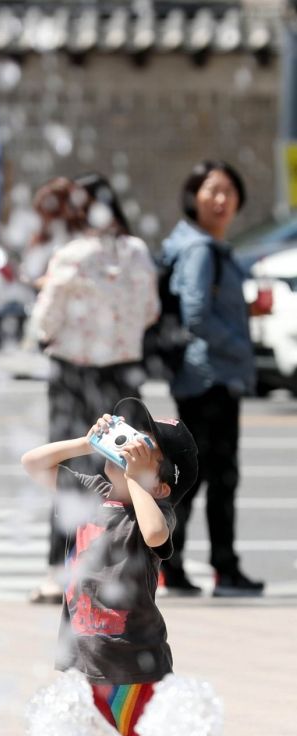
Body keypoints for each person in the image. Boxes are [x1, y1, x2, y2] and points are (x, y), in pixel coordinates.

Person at [20, 397, 198, 736]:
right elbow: (33, 462)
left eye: (145, 449)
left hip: (136, 667)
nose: (129, 450)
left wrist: (135, 480)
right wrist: (87, 443)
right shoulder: (90, 495)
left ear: (163, 486)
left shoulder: (153, 511)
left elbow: (154, 534)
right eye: (129, 438)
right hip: (81, 662)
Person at [27, 174, 159, 604]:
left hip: (75, 371)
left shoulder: (72, 255)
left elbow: (44, 322)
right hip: (124, 374)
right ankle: (126, 566)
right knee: (126, 472)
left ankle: (58, 572)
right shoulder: (138, 251)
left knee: (70, 468)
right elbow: (151, 312)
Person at [161, 159, 265, 597]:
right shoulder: (201, 250)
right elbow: (197, 314)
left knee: (201, 476)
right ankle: (205, 566)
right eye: (212, 191)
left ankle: (185, 564)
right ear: (193, 197)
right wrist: (241, 346)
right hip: (209, 379)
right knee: (209, 478)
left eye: (229, 191)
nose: (221, 200)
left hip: (208, 377)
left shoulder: (204, 248)